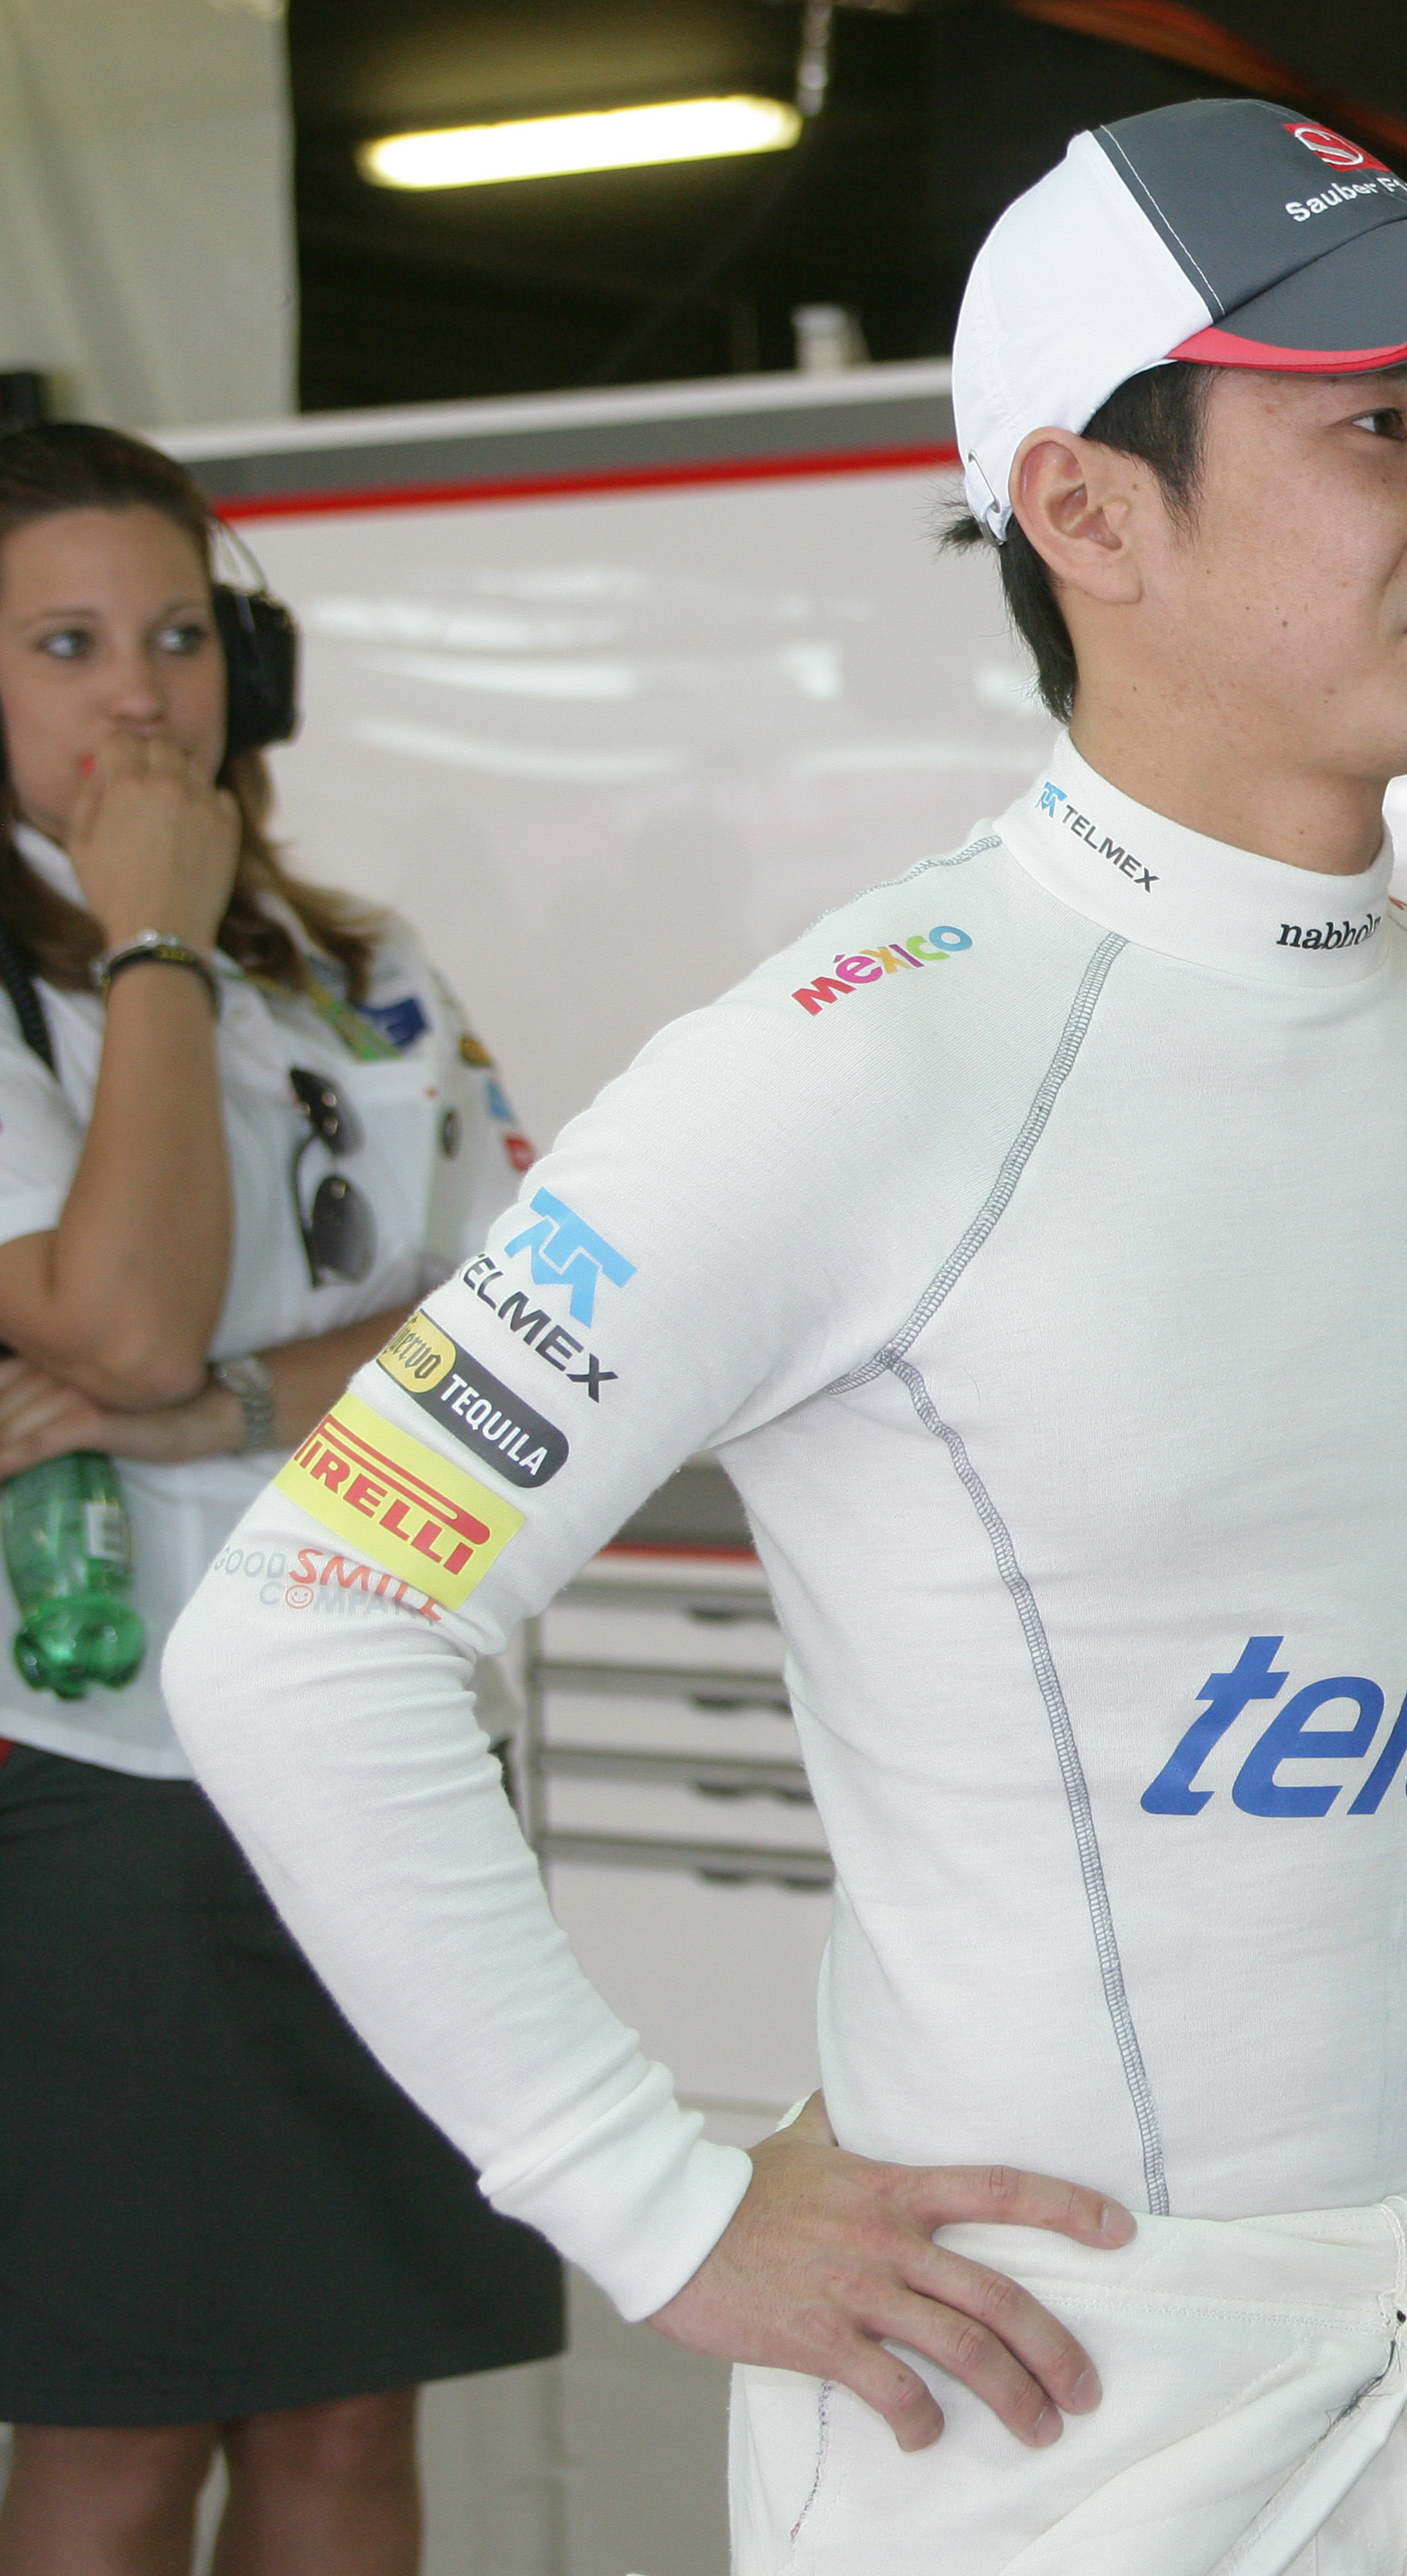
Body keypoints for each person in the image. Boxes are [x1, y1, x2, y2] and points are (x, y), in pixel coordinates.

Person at [164, 103, 1407, 2572]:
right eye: (1378, 428)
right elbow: (307, 1631)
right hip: (1039, 2419)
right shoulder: (862, 1053)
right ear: (1086, 511)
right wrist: (649, 2202)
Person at [0, 424, 554, 2576]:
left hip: (383, 1735)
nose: (142, 697)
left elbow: (513, 1319)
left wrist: (233, 1408)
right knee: (123, 2425)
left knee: (350, 2404)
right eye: (64, 645)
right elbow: (122, 1317)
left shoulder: (362, 960)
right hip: (94, 1774)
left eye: (177, 637)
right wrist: (152, 938)